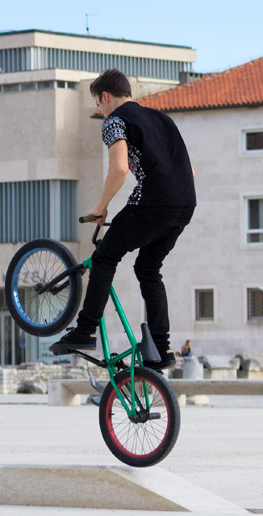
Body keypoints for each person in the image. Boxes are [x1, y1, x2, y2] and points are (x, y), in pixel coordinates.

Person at [51, 68, 195, 371]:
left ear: (105, 96)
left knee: (105, 257)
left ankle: (85, 330)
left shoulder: (114, 121)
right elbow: (188, 171)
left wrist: (102, 207)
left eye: (98, 105)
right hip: (184, 205)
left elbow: (118, 169)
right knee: (148, 268)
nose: (100, 111)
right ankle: (162, 347)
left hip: (153, 203)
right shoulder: (161, 119)